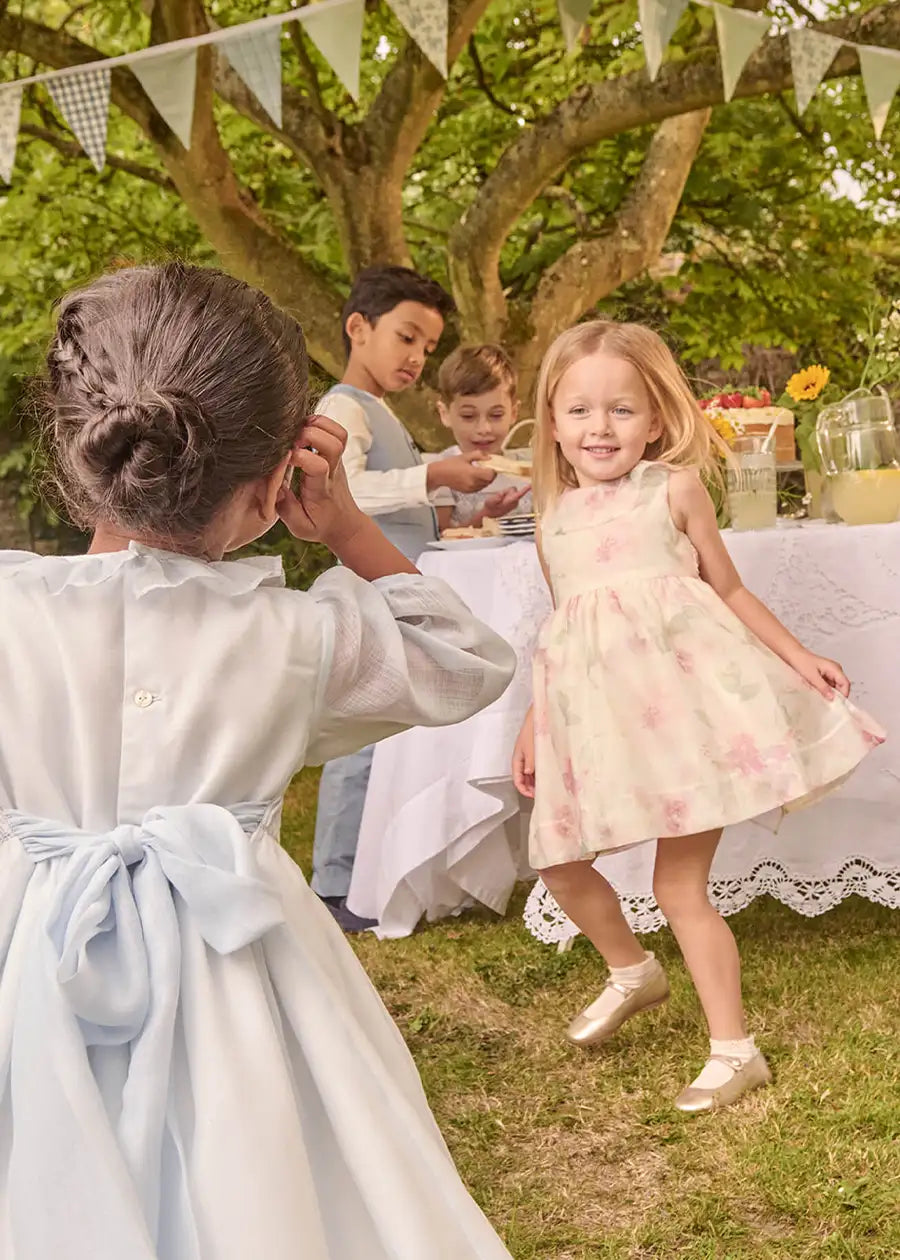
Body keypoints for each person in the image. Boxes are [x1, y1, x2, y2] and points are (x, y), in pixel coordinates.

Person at [0, 262, 519, 1259]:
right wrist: (352, 528)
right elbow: (468, 661)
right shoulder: (294, 639)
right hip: (236, 976)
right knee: (260, 1185)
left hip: (26, 953)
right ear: (284, 474)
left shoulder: (12, 614)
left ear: (82, 451)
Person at [512, 320, 885, 1114]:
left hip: (683, 725)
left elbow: (730, 589)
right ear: (552, 422)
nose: (599, 428)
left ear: (655, 419)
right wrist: (530, 725)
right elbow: (561, 633)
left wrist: (797, 656)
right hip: (598, 730)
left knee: (677, 885)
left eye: (621, 410)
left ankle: (733, 1049)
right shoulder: (552, 520)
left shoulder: (671, 491)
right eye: (579, 411)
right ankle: (631, 971)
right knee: (556, 860)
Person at [312, 266, 500, 931]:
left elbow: (406, 507)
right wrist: (435, 474)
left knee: (389, 737)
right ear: (358, 328)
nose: (417, 357)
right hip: (369, 594)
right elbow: (350, 494)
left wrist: (458, 504)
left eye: (427, 346)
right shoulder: (340, 409)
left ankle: (375, 867)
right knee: (359, 746)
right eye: (407, 337)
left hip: (399, 595)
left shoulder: (381, 412)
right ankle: (334, 885)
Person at [433, 344, 532, 529]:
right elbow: (441, 539)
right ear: (445, 413)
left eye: (496, 415)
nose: (484, 428)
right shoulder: (440, 473)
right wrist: (487, 515)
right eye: (468, 416)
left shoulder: (530, 470)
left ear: (514, 412)